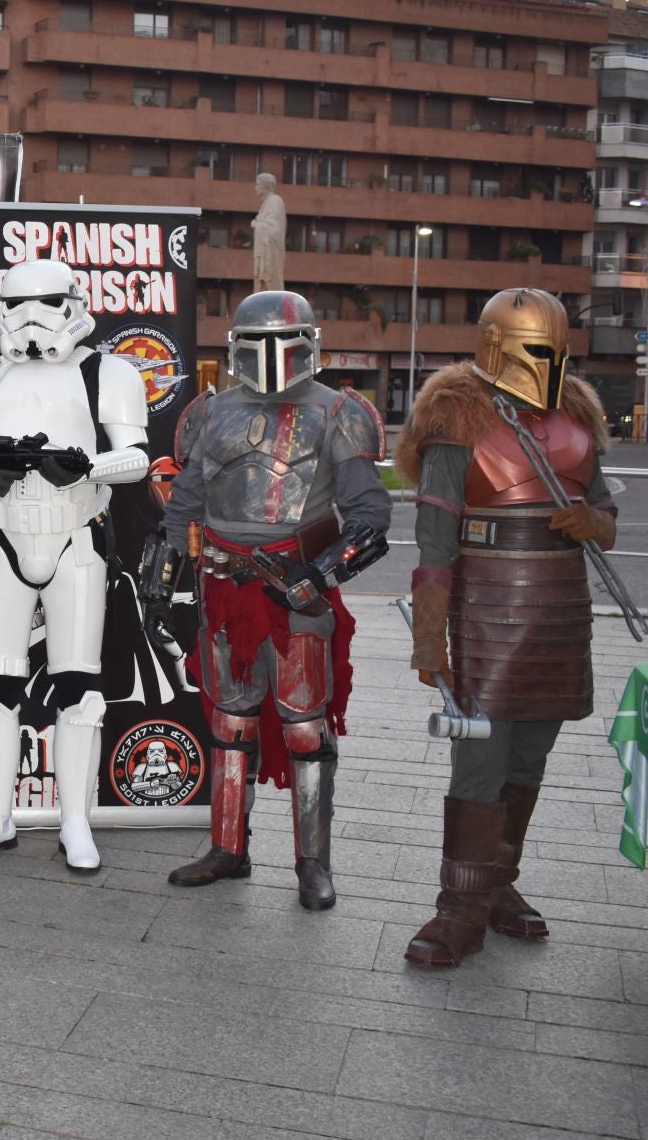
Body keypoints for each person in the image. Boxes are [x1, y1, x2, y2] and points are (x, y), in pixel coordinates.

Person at [139, 290, 390, 910]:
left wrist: (320, 575)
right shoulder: (209, 413)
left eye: (285, 342)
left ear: (310, 343)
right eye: (258, 344)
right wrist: (161, 576)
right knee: (229, 721)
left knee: (305, 727)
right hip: (223, 586)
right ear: (235, 348)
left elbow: (369, 519)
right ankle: (229, 848)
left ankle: (313, 863)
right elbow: (186, 506)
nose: (272, 357)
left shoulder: (339, 412)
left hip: (294, 589)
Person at [398, 288, 616, 966]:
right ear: (499, 346)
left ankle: (498, 887)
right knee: (481, 762)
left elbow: (605, 513)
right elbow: (434, 540)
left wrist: (594, 524)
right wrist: (430, 637)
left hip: (559, 614)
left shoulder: (576, 419)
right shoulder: (456, 419)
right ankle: (458, 906)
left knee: (528, 761)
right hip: (485, 614)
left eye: (558, 353)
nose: (550, 366)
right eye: (537, 352)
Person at [0, 259, 149, 871]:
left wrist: (86, 466)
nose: (32, 319)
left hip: (75, 540)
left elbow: (138, 458)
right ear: (1, 308)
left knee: (78, 684)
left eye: (47, 303)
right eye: (19, 304)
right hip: (2, 540)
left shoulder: (108, 373)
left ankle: (75, 821)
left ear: (74, 303)